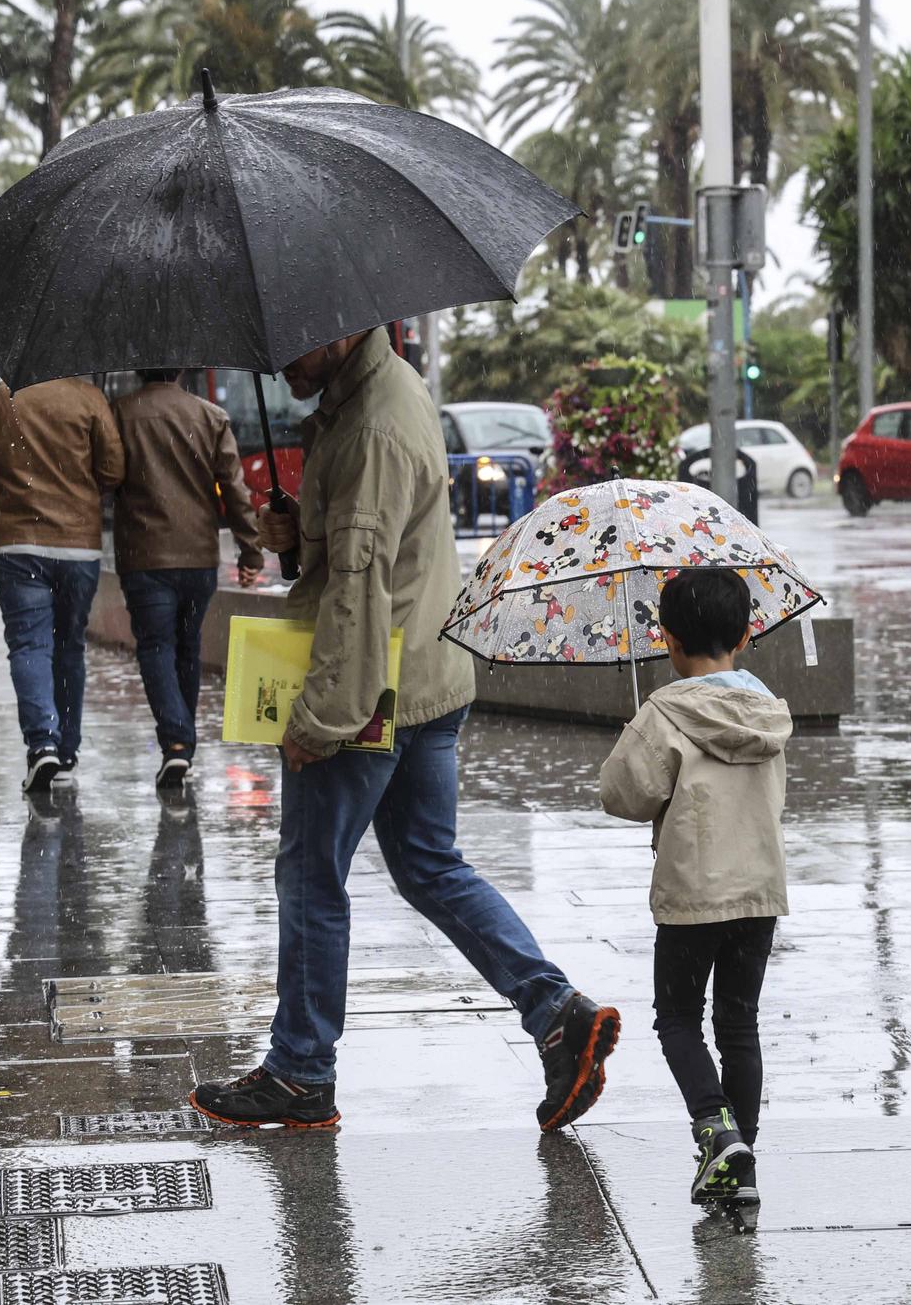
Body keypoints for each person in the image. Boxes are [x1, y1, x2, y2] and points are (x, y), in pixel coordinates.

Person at [188, 325, 621, 1132]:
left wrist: (321, 720)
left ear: (344, 326)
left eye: (298, 344)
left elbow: (357, 591)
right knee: (429, 864)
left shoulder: (371, 428)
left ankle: (299, 1071)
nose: (284, 362)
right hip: (428, 677)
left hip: (372, 691)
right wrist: (296, 538)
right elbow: (362, 553)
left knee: (312, 875)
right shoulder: (378, 399)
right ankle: (556, 1012)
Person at [597, 568, 791, 1209]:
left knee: (677, 1018)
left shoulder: (665, 711)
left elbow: (623, 795)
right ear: (742, 635)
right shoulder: (767, 709)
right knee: (739, 1023)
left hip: (691, 896)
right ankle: (744, 1154)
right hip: (758, 891)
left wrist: (637, 735)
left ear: (670, 641)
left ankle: (716, 1130)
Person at [0, 377, 125, 794]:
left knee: (30, 644)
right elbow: (113, 469)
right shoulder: (88, 397)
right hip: (77, 546)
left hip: (16, 545)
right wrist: (79, 496)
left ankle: (42, 743)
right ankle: (66, 750)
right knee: (69, 645)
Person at [112, 369, 264, 791]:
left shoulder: (120, 413)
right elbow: (235, 490)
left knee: (156, 647)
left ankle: (178, 742)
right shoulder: (211, 416)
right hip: (198, 556)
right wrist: (250, 550)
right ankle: (181, 745)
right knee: (188, 647)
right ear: (181, 370)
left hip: (145, 554)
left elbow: (106, 477)